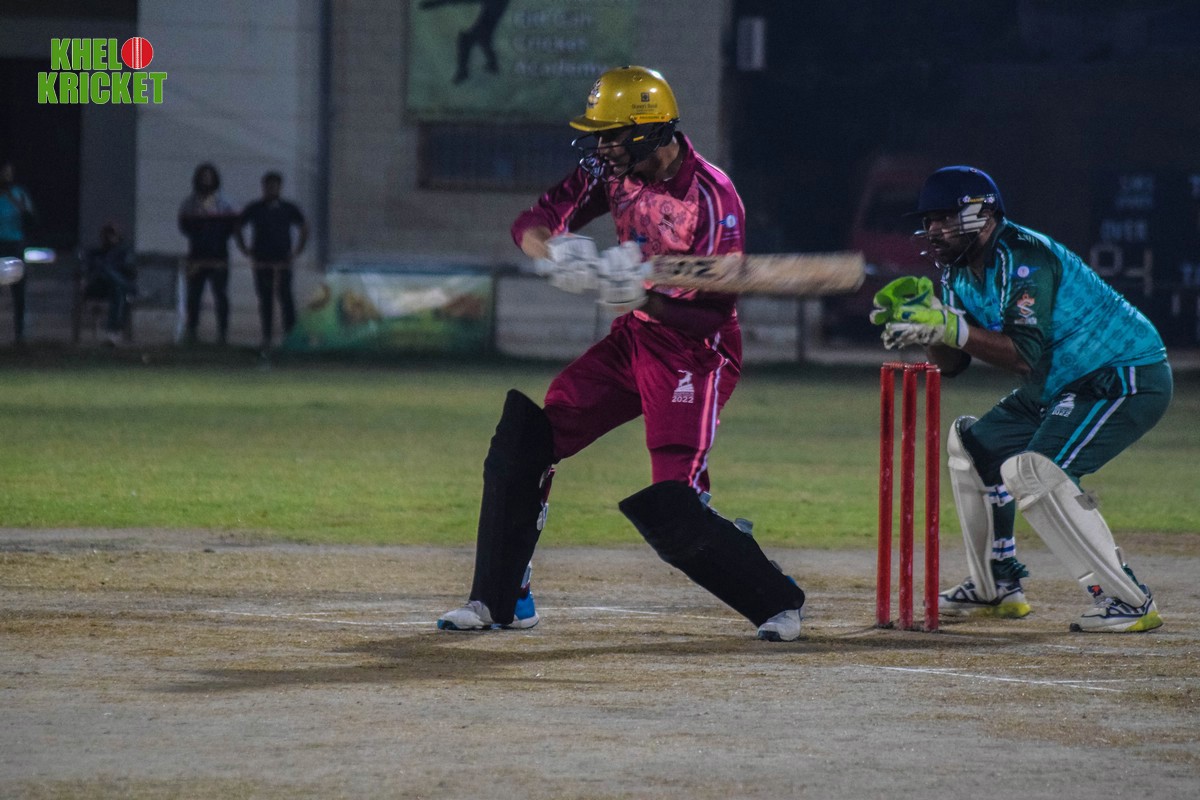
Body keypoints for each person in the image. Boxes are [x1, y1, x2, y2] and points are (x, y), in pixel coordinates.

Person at [436, 66, 807, 642]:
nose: (602, 148)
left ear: (651, 131)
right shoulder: (609, 171)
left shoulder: (713, 197)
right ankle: (501, 598)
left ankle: (776, 597)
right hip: (633, 338)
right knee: (526, 443)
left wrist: (643, 296)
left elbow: (710, 315)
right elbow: (533, 221)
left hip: (695, 353)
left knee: (675, 505)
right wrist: (556, 253)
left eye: (612, 136)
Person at [870, 165, 1172, 633]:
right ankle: (995, 584)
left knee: (1035, 471)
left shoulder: (1023, 256)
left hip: (1121, 374)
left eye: (945, 217)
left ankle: (1129, 600)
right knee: (973, 449)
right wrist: (930, 326)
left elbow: (1022, 355)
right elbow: (952, 365)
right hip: (1057, 383)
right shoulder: (957, 271)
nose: (934, 229)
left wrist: (951, 326)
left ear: (983, 213)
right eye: (929, 220)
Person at [236, 171, 309, 350]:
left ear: (280, 187)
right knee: (265, 298)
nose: (272, 189)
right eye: (269, 186)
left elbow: (304, 227)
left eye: (275, 186)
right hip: (262, 260)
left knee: (286, 297)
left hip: (283, 260)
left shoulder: (288, 208)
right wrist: (244, 248)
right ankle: (267, 337)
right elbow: (237, 226)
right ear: (264, 187)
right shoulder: (255, 208)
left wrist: (298, 250)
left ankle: (291, 337)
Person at [178, 162, 238, 344]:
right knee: (194, 295)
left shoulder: (224, 203)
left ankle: (222, 333)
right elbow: (184, 227)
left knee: (220, 295)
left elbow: (231, 227)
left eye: (209, 177)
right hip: (196, 256)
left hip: (219, 256)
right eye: (203, 177)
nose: (206, 180)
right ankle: (192, 331)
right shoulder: (189, 203)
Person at [83, 221, 137, 345]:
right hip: (99, 287)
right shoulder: (95, 253)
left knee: (117, 290)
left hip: (115, 288)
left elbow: (130, 270)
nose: (109, 238)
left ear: (117, 236)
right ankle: (131, 290)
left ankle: (112, 333)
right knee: (107, 272)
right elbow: (88, 270)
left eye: (112, 235)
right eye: (106, 235)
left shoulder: (124, 253)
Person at [0, 161, 35, 344]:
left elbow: (31, 218)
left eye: (9, 173)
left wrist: (19, 205)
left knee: (18, 291)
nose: (7, 177)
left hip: (14, 244)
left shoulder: (19, 194)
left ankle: (20, 334)